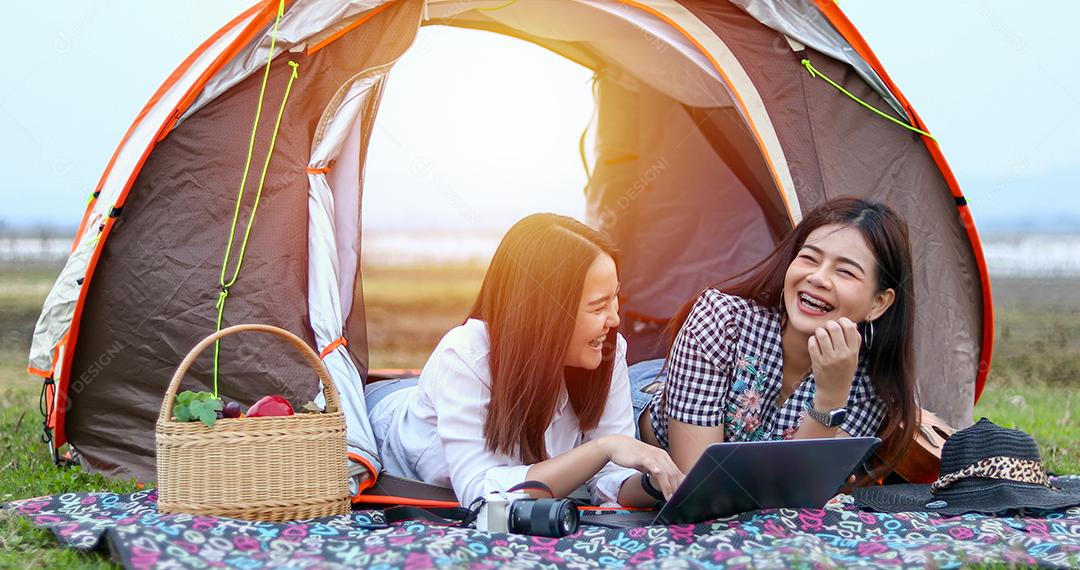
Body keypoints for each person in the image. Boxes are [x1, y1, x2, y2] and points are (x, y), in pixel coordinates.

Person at [367, 213, 684, 507]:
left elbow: (609, 478)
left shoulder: (606, 350)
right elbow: (480, 493)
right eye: (598, 306)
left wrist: (654, 484)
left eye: (615, 297)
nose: (614, 319)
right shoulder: (465, 354)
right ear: (545, 312)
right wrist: (603, 448)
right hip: (395, 424)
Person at [630, 198, 918, 477]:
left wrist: (831, 397)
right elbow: (699, 483)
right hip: (641, 407)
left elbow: (794, 490)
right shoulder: (722, 318)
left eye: (845, 272)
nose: (818, 278)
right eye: (809, 258)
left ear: (878, 303)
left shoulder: (873, 387)